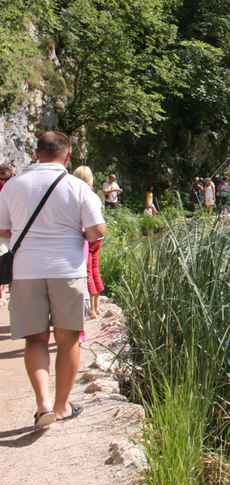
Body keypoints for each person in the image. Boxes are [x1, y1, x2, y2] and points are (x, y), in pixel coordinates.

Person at [0, 132, 105, 428]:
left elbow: (2, 229)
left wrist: (24, 234)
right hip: (67, 270)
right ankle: (61, 407)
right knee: (68, 337)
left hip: (25, 271)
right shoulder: (78, 187)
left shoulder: (13, 186)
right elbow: (97, 231)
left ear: (36, 153)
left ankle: (43, 403)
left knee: (35, 338)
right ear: (68, 156)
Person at [72, 166, 104, 320]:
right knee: (95, 269)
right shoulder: (95, 196)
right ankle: (97, 306)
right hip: (98, 237)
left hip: (86, 237)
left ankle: (91, 309)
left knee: (88, 272)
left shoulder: (77, 194)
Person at [0, 163, 14, 307]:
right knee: (1, 259)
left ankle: (12, 292)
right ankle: (2, 295)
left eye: (6, 179)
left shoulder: (16, 186)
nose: (4, 182)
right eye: (1, 179)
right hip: (2, 230)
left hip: (15, 230)